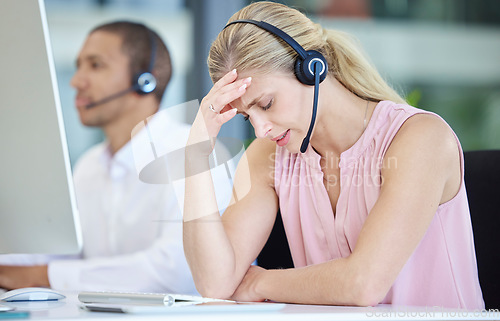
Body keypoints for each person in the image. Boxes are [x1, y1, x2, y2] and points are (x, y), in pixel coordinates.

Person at [183, 1, 484, 309]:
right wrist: (195, 156)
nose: (260, 130)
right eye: (248, 116)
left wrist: (260, 282)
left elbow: (362, 285)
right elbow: (215, 282)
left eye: (266, 104)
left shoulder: (420, 138)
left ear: (312, 68)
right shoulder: (269, 155)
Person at [0, 21, 200, 294]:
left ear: (145, 80)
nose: (75, 81)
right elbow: (60, 251)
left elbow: (176, 272)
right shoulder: (89, 165)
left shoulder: (193, 153)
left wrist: (40, 275)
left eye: (95, 65)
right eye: (79, 65)